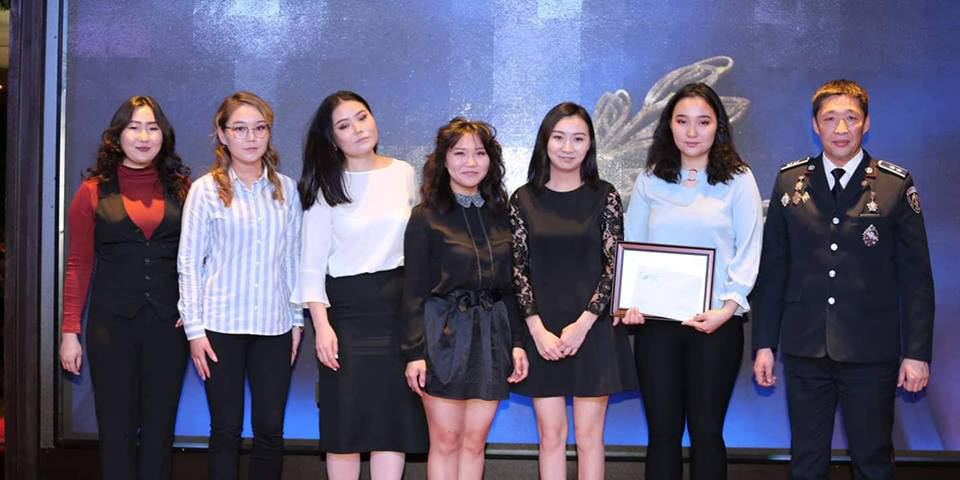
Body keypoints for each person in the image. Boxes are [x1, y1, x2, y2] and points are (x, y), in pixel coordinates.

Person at [752, 79, 935, 480]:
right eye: (829, 118)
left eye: (850, 118)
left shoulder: (894, 184)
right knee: (806, 462)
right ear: (814, 125)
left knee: (872, 460)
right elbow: (773, 271)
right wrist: (764, 343)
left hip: (871, 350)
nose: (840, 129)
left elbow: (916, 278)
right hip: (805, 348)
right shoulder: (790, 182)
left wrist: (917, 352)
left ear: (866, 124)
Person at [621, 83, 763, 480]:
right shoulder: (651, 179)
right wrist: (629, 302)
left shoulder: (738, 179)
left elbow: (750, 248)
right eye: (682, 121)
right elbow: (633, 245)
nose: (692, 131)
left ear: (719, 126)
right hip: (657, 326)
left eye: (703, 122)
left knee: (706, 433)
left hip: (715, 325)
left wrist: (728, 308)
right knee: (662, 435)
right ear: (669, 125)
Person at [296, 90, 428, 480]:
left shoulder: (403, 172)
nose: (357, 129)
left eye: (362, 117)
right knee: (346, 426)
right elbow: (311, 265)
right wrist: (322, 326)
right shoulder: (325, 184)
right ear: (332, 138)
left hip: (398, 311)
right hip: (346, 315)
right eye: (344, 125)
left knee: (393, 423)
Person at [59, 96, 191, 480]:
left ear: (163, 136)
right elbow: (78, 263)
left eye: (152, 127)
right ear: (117, 135)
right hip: (110, 326)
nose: (143, 137)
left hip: (169, 326)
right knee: (115, 429)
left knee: (160, 428)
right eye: (134, 127)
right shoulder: (91, 191)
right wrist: (69, 332)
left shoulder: (183, 189)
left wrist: (195, 312)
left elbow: (199, 259)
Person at [178, 91, 303, 480]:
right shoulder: (205, 190)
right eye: (240, 129)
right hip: (219, 328)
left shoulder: (287, 189)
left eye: (260, 128)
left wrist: (296, 320)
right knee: (225, 429)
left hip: (274, 327)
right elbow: (189, 263)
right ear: (222, 134)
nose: (251, 137)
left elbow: (293, 261)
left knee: (270, 431)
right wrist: (194, 330)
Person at [509, 102, 637, 480]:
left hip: (593, 331)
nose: (568, 147)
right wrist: (537, 330)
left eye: (578, 139)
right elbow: (517, 270)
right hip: (542, 333)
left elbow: (614, 266)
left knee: (589, 438)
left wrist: (583, 324)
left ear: (590, 145)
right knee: (550, 437)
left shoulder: (606, 196)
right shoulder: (523, 199)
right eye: (559, 138)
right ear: (545, 142)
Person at [401, 118, 530, 480]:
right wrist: (414, 353)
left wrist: (517, 343)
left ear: (491, 160)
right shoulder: (425, 217)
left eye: (479, 153)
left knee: (475, 442)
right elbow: (413, 290)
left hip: (493, 334)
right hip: (442, 335)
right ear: (443, 160)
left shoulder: (503, 215)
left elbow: (512, 288)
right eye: (459, 153)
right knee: (445, 440)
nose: (470, 162)